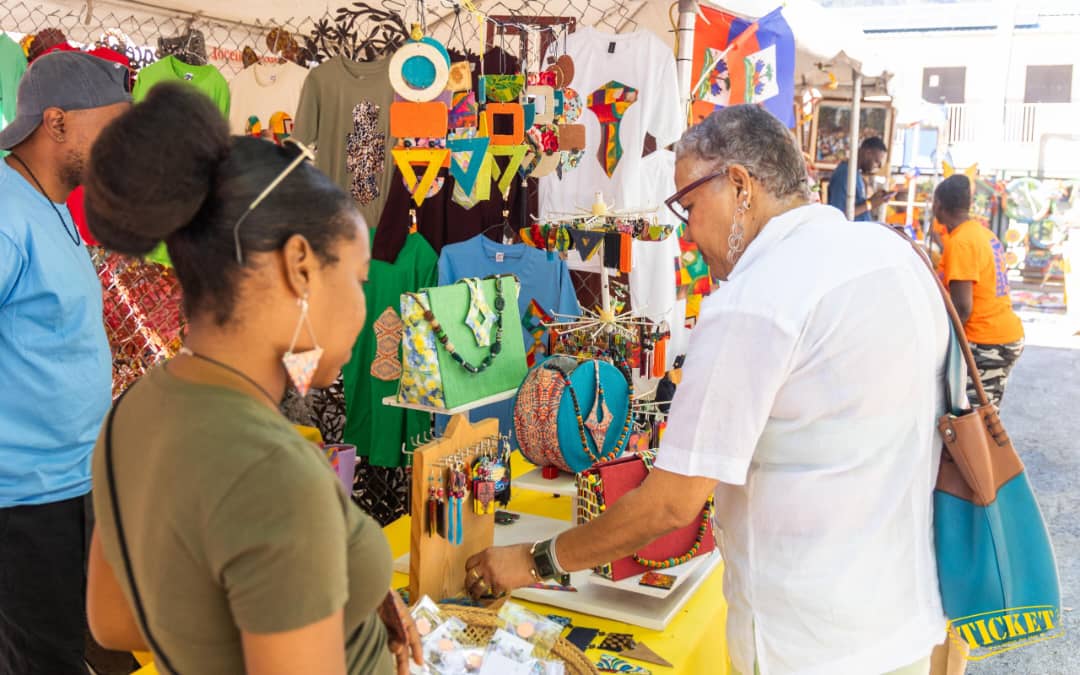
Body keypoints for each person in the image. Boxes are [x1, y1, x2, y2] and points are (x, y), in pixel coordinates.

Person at [466, 105, 951, 675]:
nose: (688, 233)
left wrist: (534, 560)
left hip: (808, 642)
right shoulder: (894, 256)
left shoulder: (757, 298)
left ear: (740, 186)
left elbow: (671, 504)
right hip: (902, 625)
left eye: (689, 206)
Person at [82, 84, 421, 675]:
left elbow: (113, 621)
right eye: (360, 279)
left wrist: (319, 601)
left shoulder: (134, 409)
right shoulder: (276, 477)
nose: (365, 309)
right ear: (300, 265)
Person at [0, 51, 131, 675]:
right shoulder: (5, 213)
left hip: (75, 481)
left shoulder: (51, 204)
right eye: (110, 130)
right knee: (42, 658)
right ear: (56, 123)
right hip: (25, 499)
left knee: (91, 643)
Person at [934, 175, 1025, 407]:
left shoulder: (961, 242)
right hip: (1003, 333)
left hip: (986, 341)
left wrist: (941, 343)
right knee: (986, 415)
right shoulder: (983, 234)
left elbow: (962, 308)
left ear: (938, 205)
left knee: (974, 421)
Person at [827, 135, 894, 221]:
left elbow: (857, 206)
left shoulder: (856, 173)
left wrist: (874, 199)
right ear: (868, 153)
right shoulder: (844, 174)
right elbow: (839, 214)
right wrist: (870, 204)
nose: (879, 166)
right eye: (877, 161)